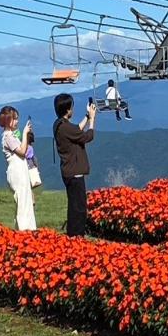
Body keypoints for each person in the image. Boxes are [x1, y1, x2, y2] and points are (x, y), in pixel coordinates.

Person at [53, 93, 95, 237]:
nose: (73, 110)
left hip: (67, 170)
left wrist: (87, 116)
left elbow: (76, 130)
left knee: (73, 204)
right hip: (74, 171)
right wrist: (92, 121)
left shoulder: (59, 124)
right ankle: (77, 236)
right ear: (68, 110)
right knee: (79, 207)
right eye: (71, 107)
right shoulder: (66, 128)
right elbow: (87, 136)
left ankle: (73, 235)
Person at [0, 106, 37, 230]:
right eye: (14, 119)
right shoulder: (8, 137)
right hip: (17, 171)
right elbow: (22, 151)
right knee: (23, 203)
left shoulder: (10, 135)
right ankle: (26, 231)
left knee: (24, 201)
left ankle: (24, 229)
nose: (17, 121)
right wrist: (25, 133)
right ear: (7, 120)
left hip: (19, 169)